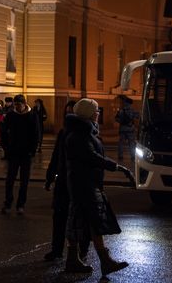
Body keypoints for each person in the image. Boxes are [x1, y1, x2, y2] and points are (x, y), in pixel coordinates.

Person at [64, 98, 132, 277]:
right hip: (84, 185)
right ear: (88, 113)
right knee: (92, 221)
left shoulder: (84, 132)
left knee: (80, 221)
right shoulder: (79, 135)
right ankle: (104, 260)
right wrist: (117, 167)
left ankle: (75, 260)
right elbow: (92, 156)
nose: (98, 113)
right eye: (96, 111)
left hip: (85, 184)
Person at [43, 100, 91, 261]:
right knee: (59, 217)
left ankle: (81, 251)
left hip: (79, 184)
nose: (69, 115)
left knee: (81, 219)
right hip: (63, 182)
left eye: (72, 112)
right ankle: (56, 250)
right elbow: (56, 156)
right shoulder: (64, 133)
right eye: (67, 112)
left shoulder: (87, 133)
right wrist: (50, 177)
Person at [0, 94, 39, 215]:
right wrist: (6, 148)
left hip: (26, 153)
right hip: (13, 152)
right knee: (10, 179)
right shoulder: (11, 115)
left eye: (19, 105)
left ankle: (20, 204)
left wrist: (32, 150)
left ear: (24, 104)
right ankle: (8, 203)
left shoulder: (32, 115)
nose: (17, 107)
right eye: (15, 105)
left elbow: (36, 134)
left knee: (24, 181)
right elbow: (4, 132)